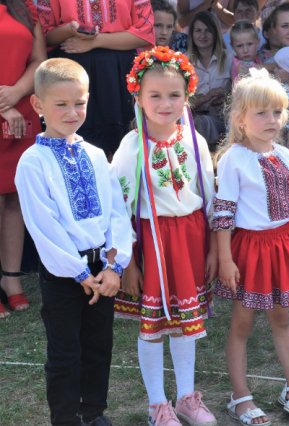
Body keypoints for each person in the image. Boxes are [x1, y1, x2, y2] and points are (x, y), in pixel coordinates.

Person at [15, 58, 132, 426]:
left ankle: (93, 412)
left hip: (103, 270)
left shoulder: (96, 155)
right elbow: (43, 225)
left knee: (99, 347)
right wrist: (78, 271)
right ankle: (65, 419)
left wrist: (115, 265)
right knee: (66, 354)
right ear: (38, 105)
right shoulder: (32, 162)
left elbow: (116, 212)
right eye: (60, 104)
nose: (71, 112)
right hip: (65, 273)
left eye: (79, 103)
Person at [112, 46, 217, 426]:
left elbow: (208, 196)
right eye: (154, 95)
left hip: (190, 238)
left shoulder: (196, 140)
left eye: (174, 95)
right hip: (151, 242)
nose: (165, 103)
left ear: (187, 96)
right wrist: (126, 262)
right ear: (137, 96)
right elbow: (119, 209)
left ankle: (187, 396)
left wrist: (213, 249)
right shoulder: (131, 147)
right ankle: (158, 403)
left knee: (185, 322)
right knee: (154, 325)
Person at [211, 68, 289, 425]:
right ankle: (240, 397)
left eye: (276, 112)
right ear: (240, 119)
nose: (271, 120)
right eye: (261, 113)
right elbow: (223, 215)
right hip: (250, 249)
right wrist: (226, 260)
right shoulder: (233, 160)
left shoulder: (288, 157)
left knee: (282, 317)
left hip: (284, 244)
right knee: (242, 322)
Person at [36, 0, 154, 157]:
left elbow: (145, 33)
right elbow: (44, 36)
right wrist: (69, 29)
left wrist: (96, 42)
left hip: (117, 76)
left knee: (123, 148)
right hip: (70, 74)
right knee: (72, 148)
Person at [0, 0, 46, 317]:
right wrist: (3, 105)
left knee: (15, 196)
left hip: (22, 112)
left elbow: (39, 60)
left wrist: (15, 94)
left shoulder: (24, 7)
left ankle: (11, 280)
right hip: (7, 109)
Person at [188, 11, 232, 149]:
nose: (203, 35)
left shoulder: (230, 58)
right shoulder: (183, 61)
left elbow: (239, 93)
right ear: (192, 34)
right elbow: (180, 101)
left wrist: (226, 98)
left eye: (208, 30)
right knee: (199, 123)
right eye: (198, 30)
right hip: (193, 120)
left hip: (223, 119)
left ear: (216, 33)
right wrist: (206, 97)